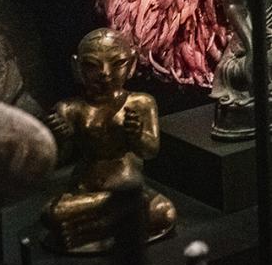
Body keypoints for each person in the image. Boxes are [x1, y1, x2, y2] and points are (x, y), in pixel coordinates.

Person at [42, 29, 176, 252]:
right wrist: (57, 138)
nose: (105, 73)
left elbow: (150, 151)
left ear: (132, 64)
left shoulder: (140, 103)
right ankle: (111, 221)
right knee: (52, 213)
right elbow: (57, 160)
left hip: (126, 182)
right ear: (77, 67)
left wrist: (136, 135)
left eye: (117, 63)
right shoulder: (70, 109)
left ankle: (88, 230)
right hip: (86, 189)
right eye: (92, 65)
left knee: (164, 212)